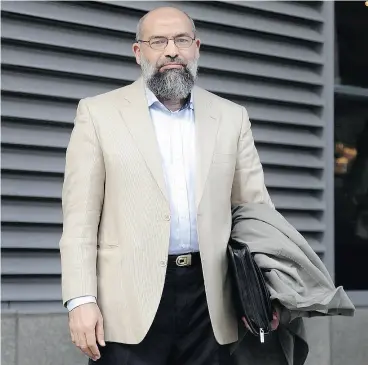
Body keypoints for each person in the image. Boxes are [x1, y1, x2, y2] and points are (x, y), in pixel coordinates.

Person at [60, 7, 276, 365]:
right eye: (158, 41)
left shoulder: (231, 117)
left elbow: (255, 214)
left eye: (182, 39)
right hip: (126, 304)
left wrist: (265, 293)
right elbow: (79, 218)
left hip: (212, 303)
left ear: (197, 48)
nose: (171, 50)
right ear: (138, 52)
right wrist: (81, 299)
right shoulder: (97, 114)